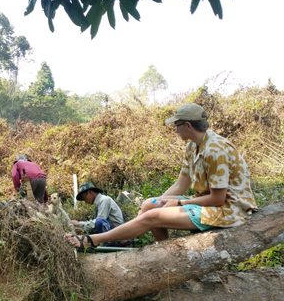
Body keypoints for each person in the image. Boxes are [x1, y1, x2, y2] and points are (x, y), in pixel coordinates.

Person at [66, 103, 258, 250]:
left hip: (229, 209)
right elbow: (181, 184)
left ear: (188, 126)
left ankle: (92, 240)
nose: (175, 129)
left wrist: (179, 205)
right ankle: (164, 253)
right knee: (150, 205)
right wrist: (158, 202)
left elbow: (218, 199)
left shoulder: (215, 150)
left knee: (153, 216)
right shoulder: (192, 146)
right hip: (210, 202)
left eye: (177, 125)